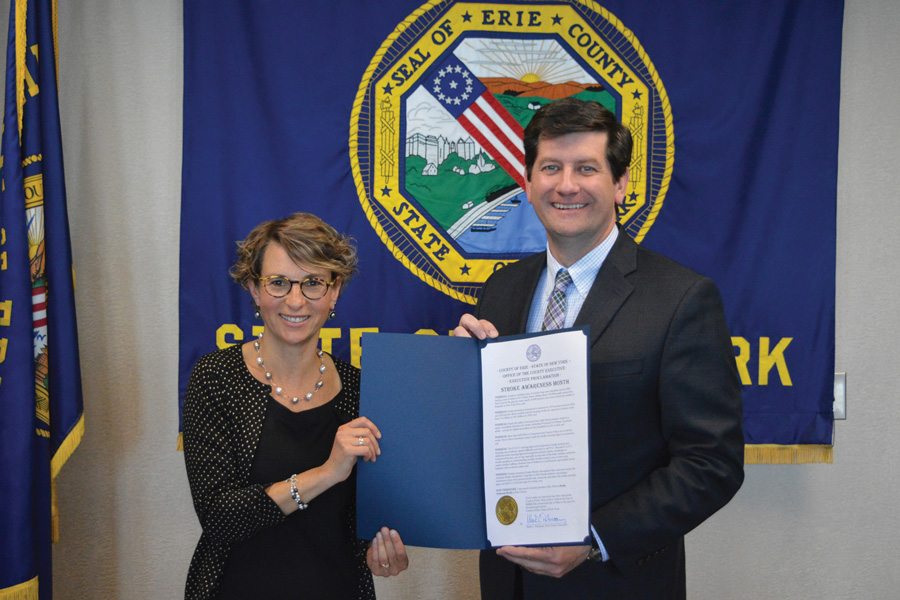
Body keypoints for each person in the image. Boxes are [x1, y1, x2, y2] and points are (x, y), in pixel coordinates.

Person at [454, 98, 744, 599]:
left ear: (621, 183)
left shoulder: (681, 298)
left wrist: (595, 539)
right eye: (551, 168)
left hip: (617, 583)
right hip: (508, 582)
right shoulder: (501, 290)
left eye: (586, 168)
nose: (566, 185)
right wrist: (458, 376)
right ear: (528, 182)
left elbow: (712, 462)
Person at [182, 213, 408, 599]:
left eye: (313, 283)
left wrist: (381, 550)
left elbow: (367, 519)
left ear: (334, 292)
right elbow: (220, 518)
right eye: (279, 282)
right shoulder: (216, 377)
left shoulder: (362, 389)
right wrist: (326, 472)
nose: (296, 300)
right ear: (254, 289)